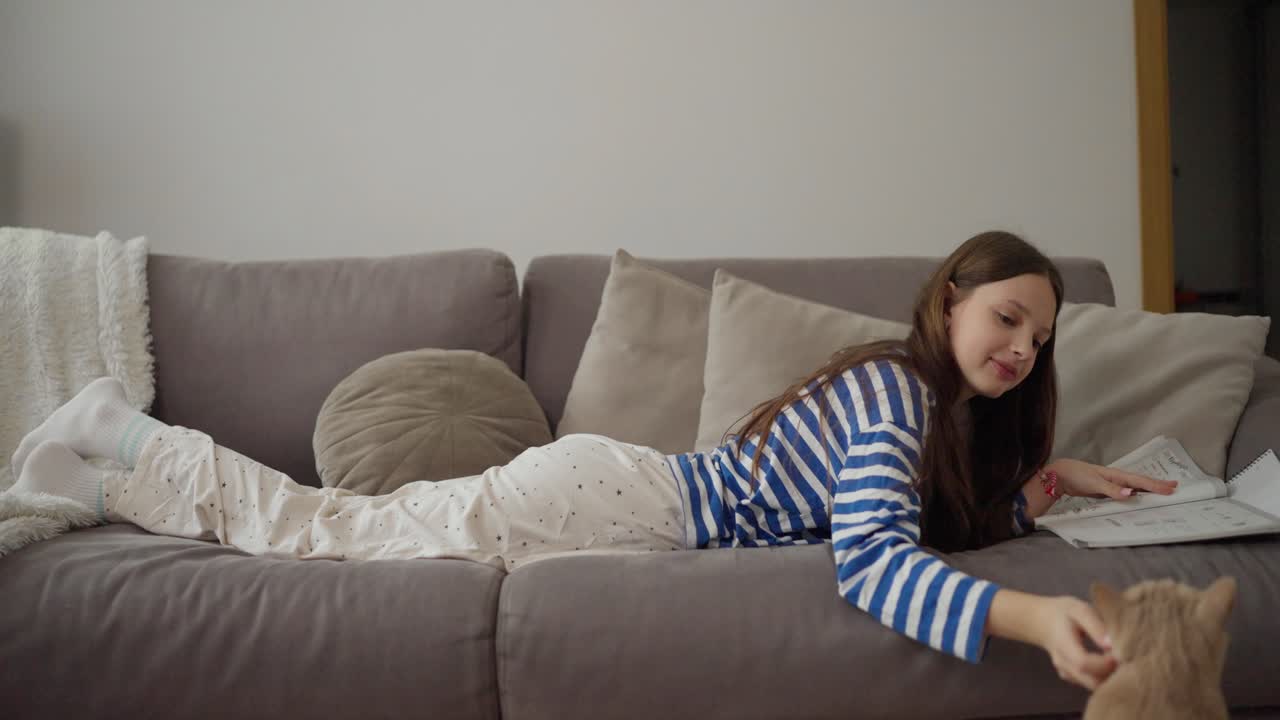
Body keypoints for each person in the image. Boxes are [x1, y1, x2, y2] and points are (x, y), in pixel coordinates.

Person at [10, 230, 1176, 690]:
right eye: (1005, 319)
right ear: (950, 303)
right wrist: (1031, 622)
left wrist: (1054, 481)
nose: (1020, 347)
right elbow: (870, 563)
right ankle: (126, 439)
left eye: (1038, 335)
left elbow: (927, 521)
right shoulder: (890, 398)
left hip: (615, 494)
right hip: (606, 504)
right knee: (330, 535)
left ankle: (114, 476)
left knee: (335, 528)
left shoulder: (928, 416)